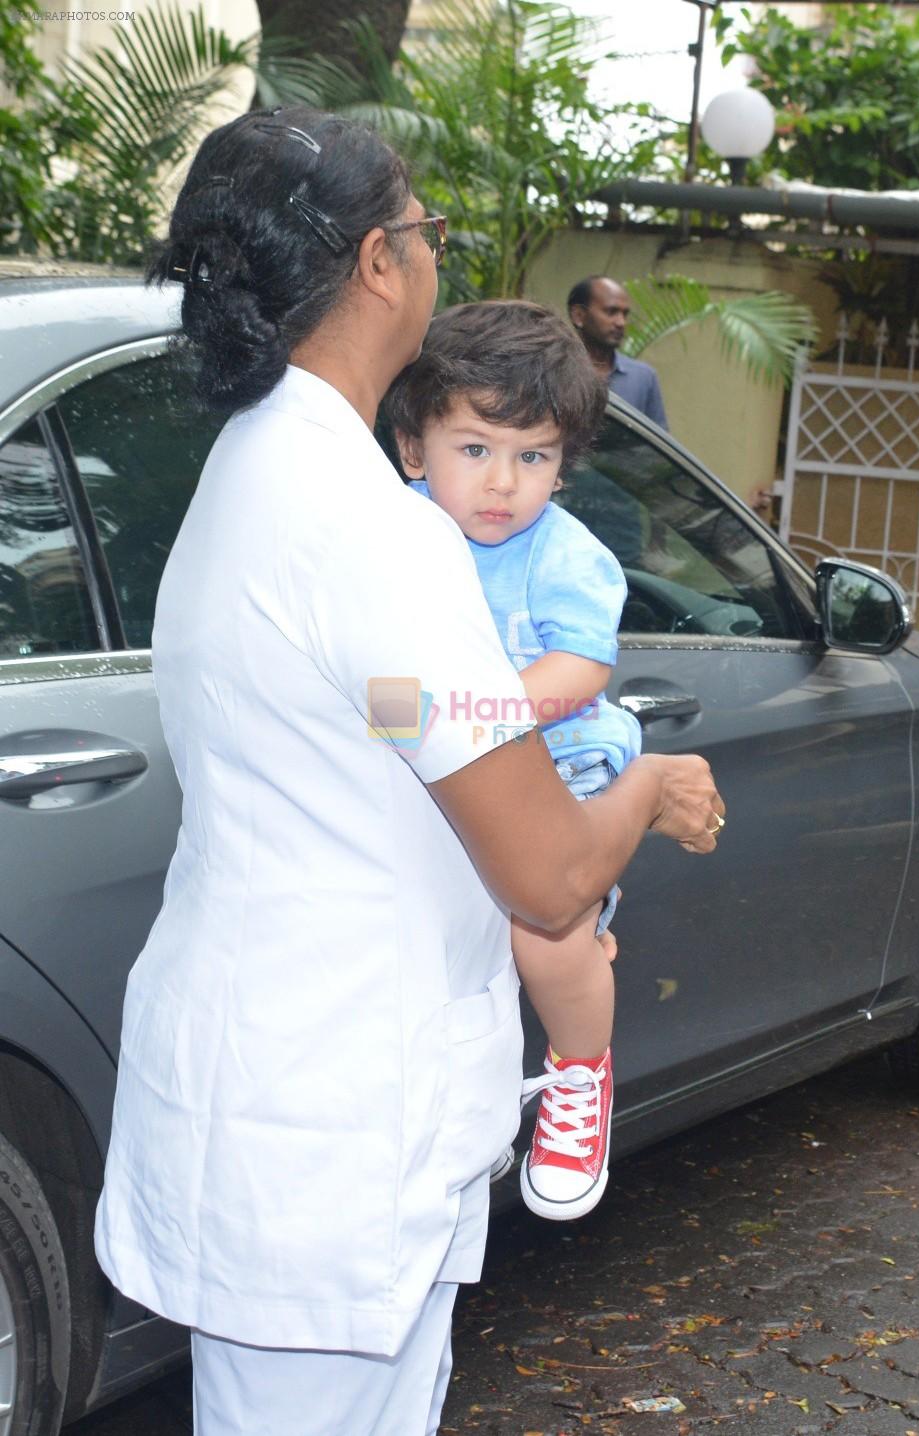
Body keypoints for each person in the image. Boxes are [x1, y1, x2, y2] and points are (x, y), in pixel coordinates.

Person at [93, 105, 725, 1436]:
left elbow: (377, 707)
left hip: (285, 1097)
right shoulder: (372, 530)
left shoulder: (261, 470)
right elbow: (551, 879)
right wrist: (652, 783)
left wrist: (474, 709)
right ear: (380, 264)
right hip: (326, 1126)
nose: (437, 255)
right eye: (428, 232)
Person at [388, 299, 644, 1223]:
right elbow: (372, 685)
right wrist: (399, 718)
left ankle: (579, 1071)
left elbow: (581, 669)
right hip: (433, 753)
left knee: (544, 921)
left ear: (562, 465)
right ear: (415, 449)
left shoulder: (565, 555)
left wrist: (471, 710)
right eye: (476, 449)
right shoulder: (389, 534)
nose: (503, 482)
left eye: (532, 457)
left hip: (557, 757)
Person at [567, 274, 668, 429]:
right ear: (579, 316)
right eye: (611, 312)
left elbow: (655, 446)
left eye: (625, 314)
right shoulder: (552, 371)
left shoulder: (643, 377)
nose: (621, 322)